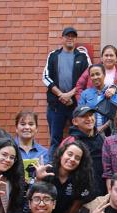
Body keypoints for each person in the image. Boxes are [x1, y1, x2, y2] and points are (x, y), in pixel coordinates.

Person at [42, 26, 90, 159]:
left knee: (80, 137)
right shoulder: (53, 55)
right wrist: (61, 95)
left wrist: (70, 95)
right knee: (55, 139)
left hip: (76, 105)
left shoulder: (82, 56)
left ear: (75, 39)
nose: (70, 38)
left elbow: (87, 77)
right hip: (56, 105)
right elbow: (45, 77)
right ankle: (52, 170)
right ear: (62, 38)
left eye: (73, 36)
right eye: (67, 36)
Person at [34, 140, 93, 213]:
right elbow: (33, 198)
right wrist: (38, 179)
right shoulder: (47, 171)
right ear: (61, 154)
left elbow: (75, 207)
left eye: (77, 158)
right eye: (69, 154)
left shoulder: (82, 179)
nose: (72, 159)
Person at [14, 111, 49, 186]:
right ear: (16, 128)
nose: (27, 127)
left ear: (36, 129)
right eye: (23, 124)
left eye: (31, 124)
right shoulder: (9, 150)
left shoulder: (45, 153)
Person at [78, 64, 114, 133]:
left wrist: (103, 127)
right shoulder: (85, 94)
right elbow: (80, 113)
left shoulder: (111, 91)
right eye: (92, 75)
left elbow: (116, 114)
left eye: (98, 74)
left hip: (110, 132)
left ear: (104, 74)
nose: (95, 77)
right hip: (90, 132)